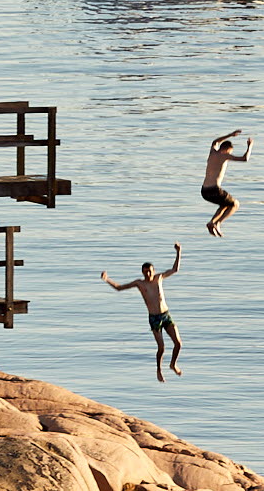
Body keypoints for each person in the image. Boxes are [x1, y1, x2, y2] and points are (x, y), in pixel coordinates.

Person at [101, 243, 184, 381]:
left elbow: (175, 269)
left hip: (165, 315)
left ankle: (173, 365)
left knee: (178, 343)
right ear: (142, 273)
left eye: (150, 271)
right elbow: (119, 288)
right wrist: (107, 280)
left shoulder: (159, 278)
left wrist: (178, 251)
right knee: (161, 347)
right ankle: (159, 370)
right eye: (145, 272)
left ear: (154, 270)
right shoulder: (139, 283)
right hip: (154, 318)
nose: (148, 274)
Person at [201, 129, 252, 236]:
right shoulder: (224, 156)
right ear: (227, 150)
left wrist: (230, 135)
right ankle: (217, 223)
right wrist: (249, 146)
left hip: (204, 191)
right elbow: (245, 159)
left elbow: (215, 141)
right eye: (230, 152)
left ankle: (212, 222)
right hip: (214, 190)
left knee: (224, 205)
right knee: (235, 204)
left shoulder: (212, 153)